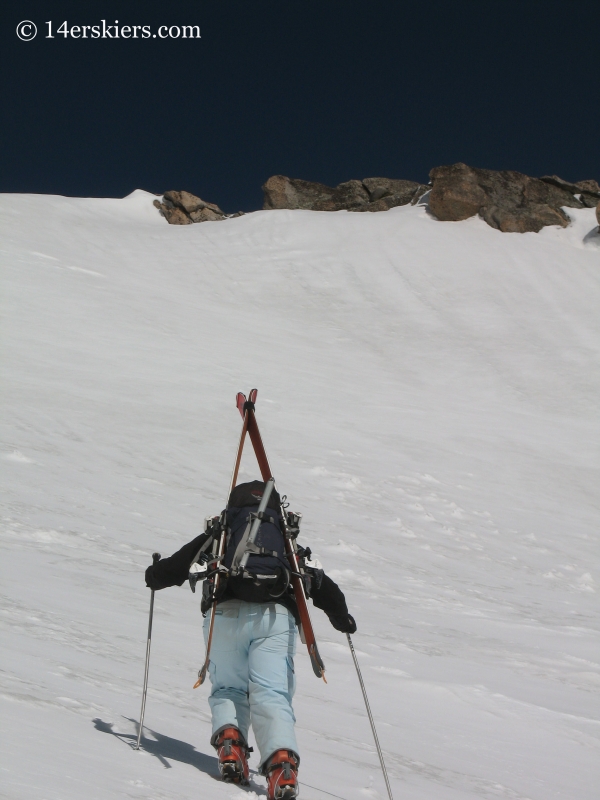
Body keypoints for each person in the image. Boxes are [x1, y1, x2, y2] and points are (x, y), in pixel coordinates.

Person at [144, 480, 356, 800]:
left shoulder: (223, 533)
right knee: (271, 693)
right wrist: (343, 620)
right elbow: (321, 584)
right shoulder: (284, 539)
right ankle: (281, 765)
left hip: (223, 616)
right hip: (275, 619)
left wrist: (154, 574)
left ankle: (231, 745)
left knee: (228, 686)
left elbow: (177, 566)